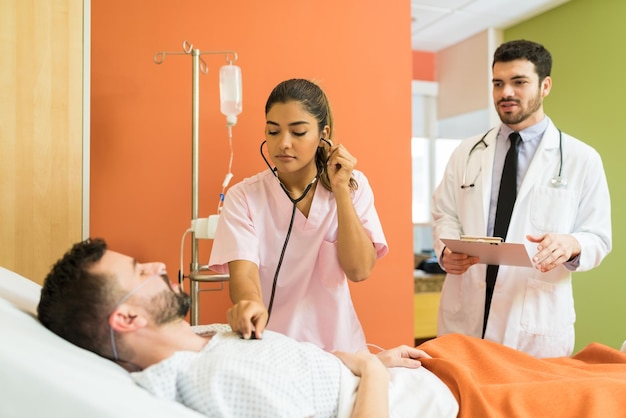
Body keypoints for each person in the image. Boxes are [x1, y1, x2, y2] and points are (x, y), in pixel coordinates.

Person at [37, 239, 626, 418]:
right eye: (140, 272)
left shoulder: (214, 338)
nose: (160, 263)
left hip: (425, 368)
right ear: (128, 318)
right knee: (600, 395)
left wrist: (369, 358)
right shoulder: (216, 380)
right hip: (442, 402)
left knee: (587, 367)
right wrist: (369, 367)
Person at [432, 39, 612, 358]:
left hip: (533, 320)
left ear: (545, 86)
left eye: (519, 82)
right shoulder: (467, 152)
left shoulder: (580, 158)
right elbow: (444, 212)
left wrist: (571, 244)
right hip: (467, 311)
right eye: (498, 83)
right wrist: (446, 249)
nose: (506, 93)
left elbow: (598, 237)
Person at [208, 78, 388, 352]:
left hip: (341, 350)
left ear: (322, 133)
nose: (283, 144)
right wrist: (249, 302)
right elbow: (243, 275)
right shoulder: (243, 196)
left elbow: (360, 270)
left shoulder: (353, 184)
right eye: (273, 131)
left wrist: (340, 190)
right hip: (272, 348)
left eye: (298, 132)